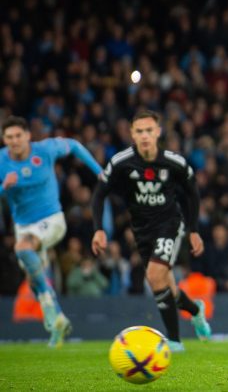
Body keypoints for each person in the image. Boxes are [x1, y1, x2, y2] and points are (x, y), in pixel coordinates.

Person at [91, 110, 211, 351]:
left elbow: (192, 193)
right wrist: (98, 229)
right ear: (132, 134)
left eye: (149, 131)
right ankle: (196, 310)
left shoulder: (174, 162)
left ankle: (175, 342)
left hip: (169, 224)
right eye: (139, 131)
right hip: (141, 230)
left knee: (155, 277)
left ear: (158, 132)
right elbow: (99, 193)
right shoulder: (121, 162)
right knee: (167, 287)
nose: (145, 136)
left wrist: (193, 229)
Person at [0, 116, 103, 347]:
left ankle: (50, 309)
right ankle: (58, 321)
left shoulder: (45, 149)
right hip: (23, 226)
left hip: (51, 219)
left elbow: (75, 145)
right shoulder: (1, 162)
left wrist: (99, 172)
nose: (14, 141)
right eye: (9, 137)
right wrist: (3, 187)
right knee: (32, 279)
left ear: (28, 136)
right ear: (4, 139)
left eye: (18, 135)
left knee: (23, 248)